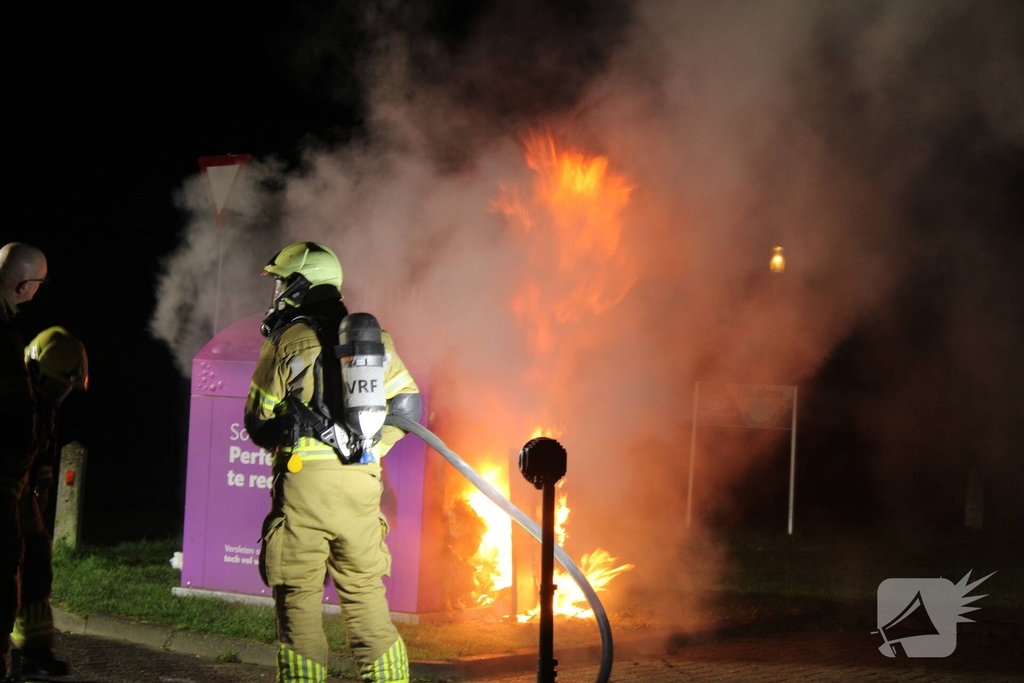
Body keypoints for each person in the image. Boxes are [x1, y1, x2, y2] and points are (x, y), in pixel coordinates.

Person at [244, 241, 422, 683]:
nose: (280, 290)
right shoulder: (374, 341)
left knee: (299, 604)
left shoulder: (289, 340)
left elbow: (257, 419)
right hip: (362, 482)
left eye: (284, 281)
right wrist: (372, 448)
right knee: (365, 600)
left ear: (301, 286)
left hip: (307, 489)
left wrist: (291, 441)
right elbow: (410, 405)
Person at [8, 327, 88, 676]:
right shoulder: (13, 393)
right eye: (56, 386)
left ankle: (34, 651)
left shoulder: (43, 401)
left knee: (36, 562)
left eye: (65, 389)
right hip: (5, 488)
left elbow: (45, 447)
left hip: (19, 490)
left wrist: (41, 488)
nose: (60, 394)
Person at [0, 243, 48, 677]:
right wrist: (15, 480)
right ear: (23, 285)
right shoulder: (4, 332)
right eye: (36, 285)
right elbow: (16, 420)